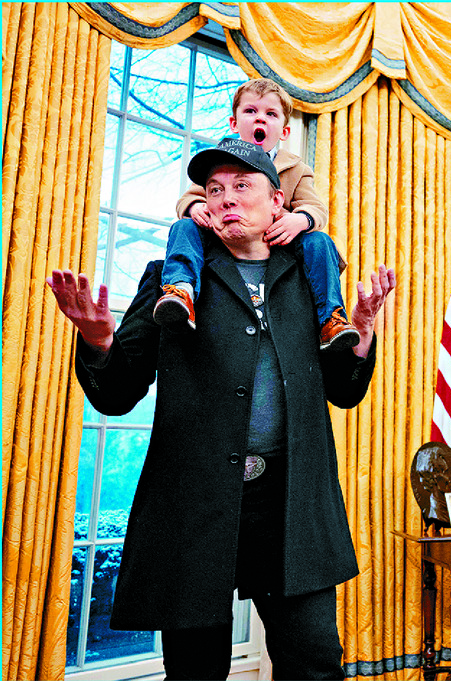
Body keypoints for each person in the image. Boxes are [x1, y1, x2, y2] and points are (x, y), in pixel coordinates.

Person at [47, 138, 396, 680]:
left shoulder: (309, 278)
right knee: (194, 671)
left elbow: (343, 391)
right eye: (214, 190)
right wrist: (98, 341)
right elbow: (117, 394)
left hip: (289, 506)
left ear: (278, 202)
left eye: (242, 186)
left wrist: (365, 328)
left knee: (315, 664)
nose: (226, 199)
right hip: (193, 506)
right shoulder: (172, 279)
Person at [157, 77, 359, 352]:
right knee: (183, 228)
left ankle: (331, 319)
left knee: (320, 242)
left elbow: (316, 207)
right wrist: (195, 208)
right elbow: (188, 197)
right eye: (250, 111)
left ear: (285, 131)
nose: (259, 119)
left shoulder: (296, 167)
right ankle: (181, 291)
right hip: (227, 236)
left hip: (279, 240)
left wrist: (300, 219)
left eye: (270, 114)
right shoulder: (219, 162)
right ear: (234, 123)